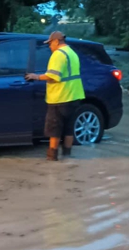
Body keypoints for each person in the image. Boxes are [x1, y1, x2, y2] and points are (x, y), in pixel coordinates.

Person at [25, 31, 85, 161]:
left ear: (57, 41)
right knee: (69, 128)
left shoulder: (58, 55)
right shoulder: (72, 53)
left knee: (54, 129)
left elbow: (53, 76)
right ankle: (67, 156)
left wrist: (36, 76)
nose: (49, 46)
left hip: (60, 97)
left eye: (50, 43)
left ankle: (52, 157)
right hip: (74, 96)